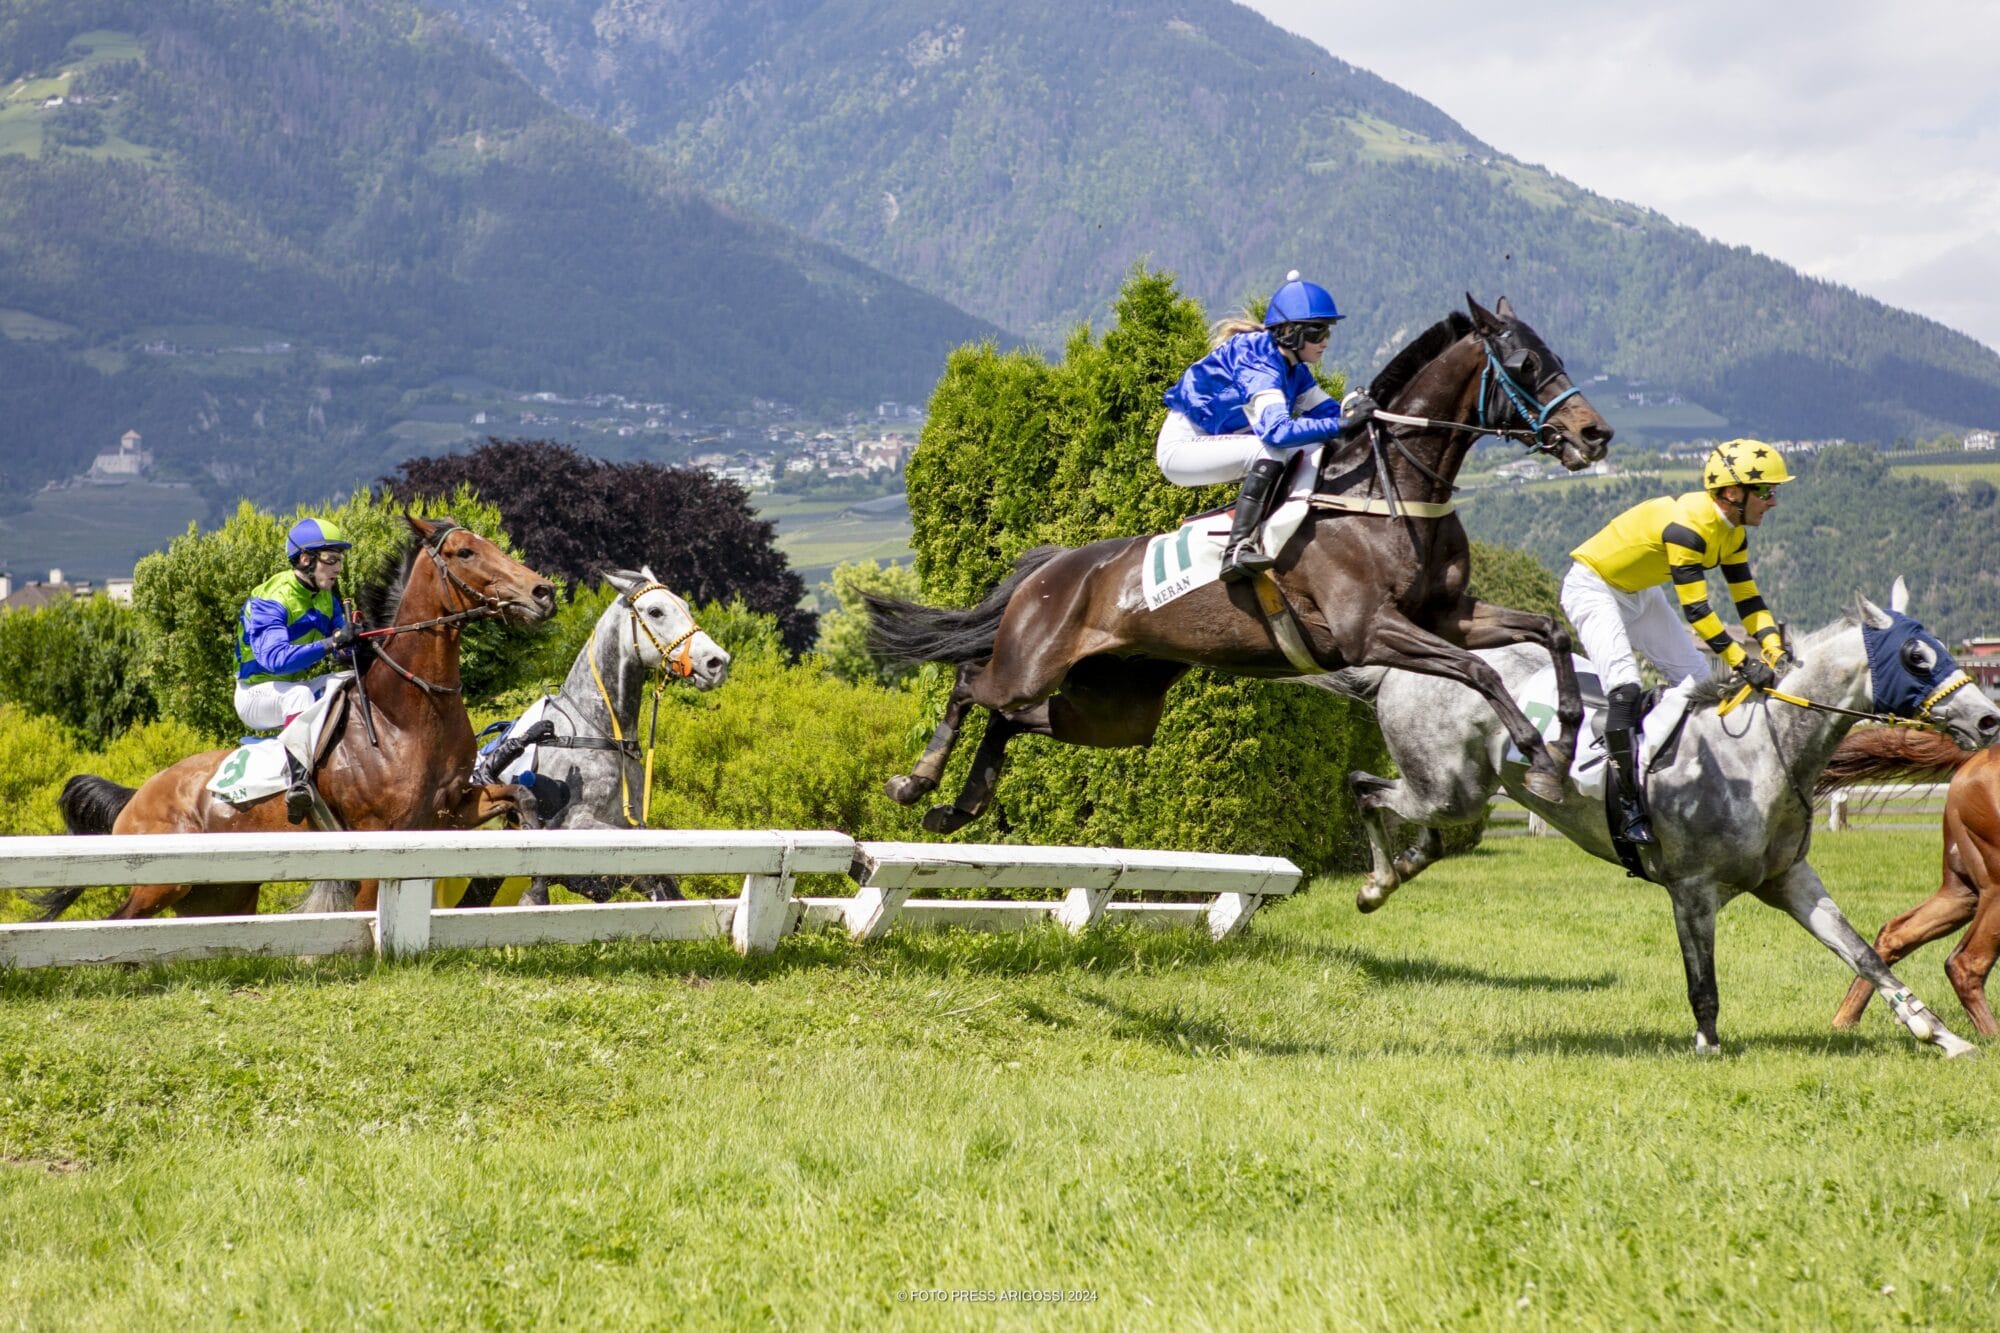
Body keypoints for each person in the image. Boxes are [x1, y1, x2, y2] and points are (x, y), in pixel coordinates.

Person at [1561, 440, 1795, 843]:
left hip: (1641, 593)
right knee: (1625, 688)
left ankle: (1687, 778)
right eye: (1766, 491)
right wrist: (1743, 662)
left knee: (1702, 684)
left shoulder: (1732, 531)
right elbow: (1698, 612)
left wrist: (1773, 647)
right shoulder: (1688, 527)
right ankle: (1629, 806)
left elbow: (1747, 597)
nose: (1773, 501)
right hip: (1593, 587)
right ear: (1732, 493)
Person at [1158, 271, 1376, 583]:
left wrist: (1362, 412)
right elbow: (1278, 432)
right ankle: (1238, 548)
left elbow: (1329, 413)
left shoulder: (1294, 368)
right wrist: (1342, 423)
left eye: (1328, 331)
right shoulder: (1258, 363)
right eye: (1317, 332)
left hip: (1215, 441)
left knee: (1315, 443)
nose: (1325, 342)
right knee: (1271, 447)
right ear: (1289, 332)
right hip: (1181, 449)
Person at [235, 517, 358, 817]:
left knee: (349, 679)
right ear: (305, 559)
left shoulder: (325, 595)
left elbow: (344, 644)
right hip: (254, 694)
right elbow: (276, 660)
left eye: (340, 560)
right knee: (298, 697)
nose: (338, 568)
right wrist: (332, 643)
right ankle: (298, 784)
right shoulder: (272, 598)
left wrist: (356, 641)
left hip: (291, 687)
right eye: (331, 560)